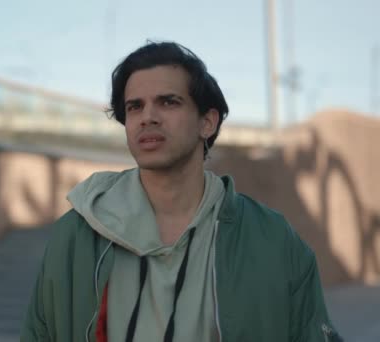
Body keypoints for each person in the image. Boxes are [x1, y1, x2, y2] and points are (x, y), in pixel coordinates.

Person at [20, 41, 342, 342]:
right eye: (135, 107)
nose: (148, 117)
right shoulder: (76, 236)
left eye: (168, 102)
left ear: (207, 122)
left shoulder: (272, 241)